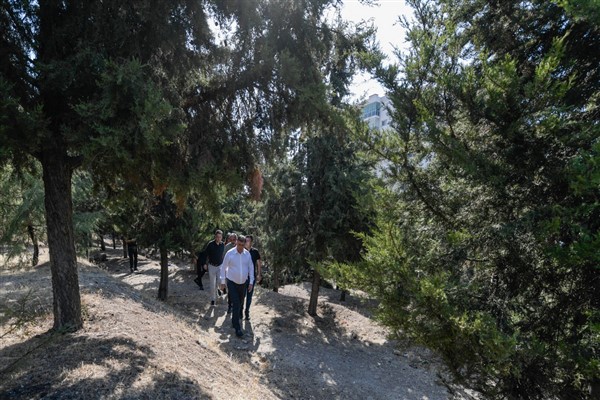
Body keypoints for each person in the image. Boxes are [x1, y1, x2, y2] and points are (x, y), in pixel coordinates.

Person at [220, 235, 254, 337]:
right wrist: (222, 281)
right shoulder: (230, 254)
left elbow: (251, 268)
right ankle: (237, 327)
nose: (240, 247)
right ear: (236, 243)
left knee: (240, 303)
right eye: (239, 244)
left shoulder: (247, 254)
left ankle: (236, 319)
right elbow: (223, 267)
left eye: (242, 245)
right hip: (232, 282)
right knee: (236, 303)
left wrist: (251, 282)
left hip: (243, 283)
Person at [242, 234, 261, 320]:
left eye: (248, 240)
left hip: (251, 277)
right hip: (242, 276)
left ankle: (247, 313)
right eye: (245, 240)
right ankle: (240, 312)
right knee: (242, 295)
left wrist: (259, 274)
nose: (246, 242)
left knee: (249, 296)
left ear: (251, 242)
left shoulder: (255, 251)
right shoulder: (241, 250)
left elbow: (259, 263)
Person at [204, 229, 225, 306]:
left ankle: (219, 291)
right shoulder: (210, 244)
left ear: (222, 237)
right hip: (211, 266)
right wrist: (204, 263)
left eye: (220, 237)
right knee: (212, 284)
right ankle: (213, 299)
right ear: (215, 237)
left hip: (220, 266)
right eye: (217, 237)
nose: (219, 238)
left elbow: (223, 255)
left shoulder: (223, 245)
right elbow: (205, 254)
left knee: (220, 281)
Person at [223, 233, 237, 314]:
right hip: (229, 272)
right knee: (230, 290)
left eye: (233, 239)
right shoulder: (227, 247)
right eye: (231, 239)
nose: (232, 241)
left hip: (238, 272)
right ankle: (229, 306)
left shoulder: (239, 246)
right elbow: (224, 259)